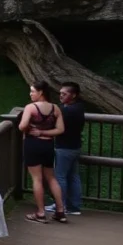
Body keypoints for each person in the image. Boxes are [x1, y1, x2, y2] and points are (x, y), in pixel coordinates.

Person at [19, 81, 67, 223]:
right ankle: (60, 211)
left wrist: (34, 130)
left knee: (37, 179)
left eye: (33, 91)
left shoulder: (30, 108)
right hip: (48, 144)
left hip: (32, 144)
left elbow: (22, 126)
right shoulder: (55, 108)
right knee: (51, 178)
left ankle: (40, 213)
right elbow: (60, 129)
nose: (31, 94)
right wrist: (44, 132)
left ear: (41, 92)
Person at [42, 82, 85, 216]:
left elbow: (53, 123)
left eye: (64, 94)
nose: (61, 96)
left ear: (73, 95)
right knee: (73, 176)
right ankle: (74, 207)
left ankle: (61, 205)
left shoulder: (66, 111)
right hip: (75, 146)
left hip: (64, 148)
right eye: (60, 93)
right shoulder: (79, 108)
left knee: (60, 176)